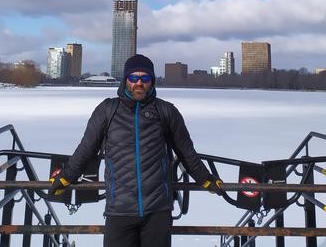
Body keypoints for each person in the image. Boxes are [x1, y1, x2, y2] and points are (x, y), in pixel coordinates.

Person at [49, 53, 223, 246]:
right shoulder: (107, 110)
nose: (139, 83)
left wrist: (206, 180)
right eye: (133, 77)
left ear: (152, 81)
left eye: (144, 78)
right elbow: (86, 149)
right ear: (126, 80)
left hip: (157, 211)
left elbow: (186, 152)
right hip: (119, 210)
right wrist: (66, 177)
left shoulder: (166, 111)